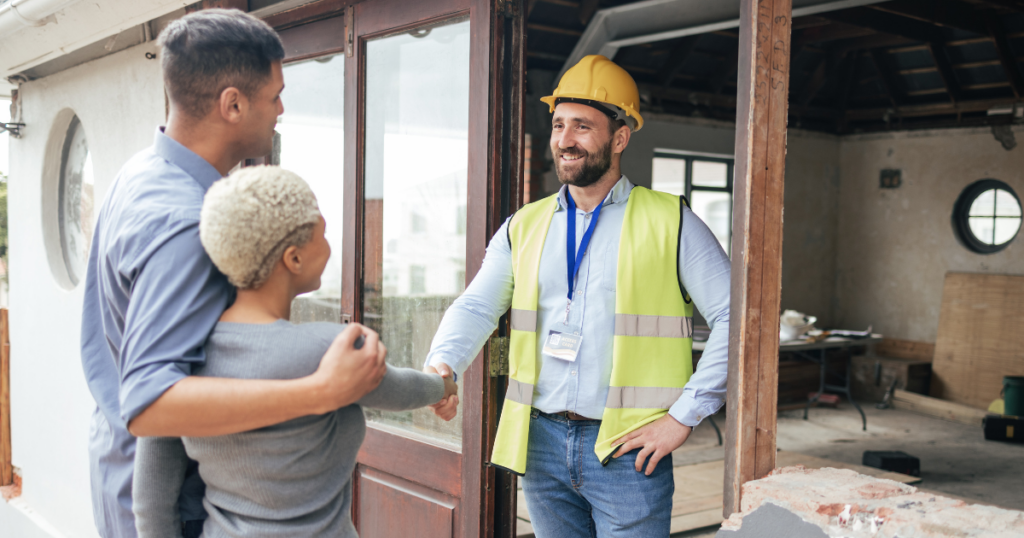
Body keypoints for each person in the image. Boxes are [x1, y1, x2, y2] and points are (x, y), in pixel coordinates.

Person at [80, 10, 392, 538]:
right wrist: (320, 391)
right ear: (233, 103)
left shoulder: (139, 175)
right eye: (275, 95)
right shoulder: (185, 224)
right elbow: (151, 404)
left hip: (122, 478)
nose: (281, 110)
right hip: (170, 511)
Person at [423, 55, 732, 537]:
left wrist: (684, 416)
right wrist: (443, 363)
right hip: (542, 440)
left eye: (583, 126)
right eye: (559, 124)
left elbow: (738, 319)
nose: (565, 140)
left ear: (620, 137)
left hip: (629, 448)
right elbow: (478, 305)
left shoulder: (672, 222)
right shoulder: (524, 225)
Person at [132, 166, 458, 537]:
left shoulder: (183, 361)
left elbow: (151, 497)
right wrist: (442, 386)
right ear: (294, 258)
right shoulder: (330, 350)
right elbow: (401, 390)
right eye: (322, 234)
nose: (331, 247)